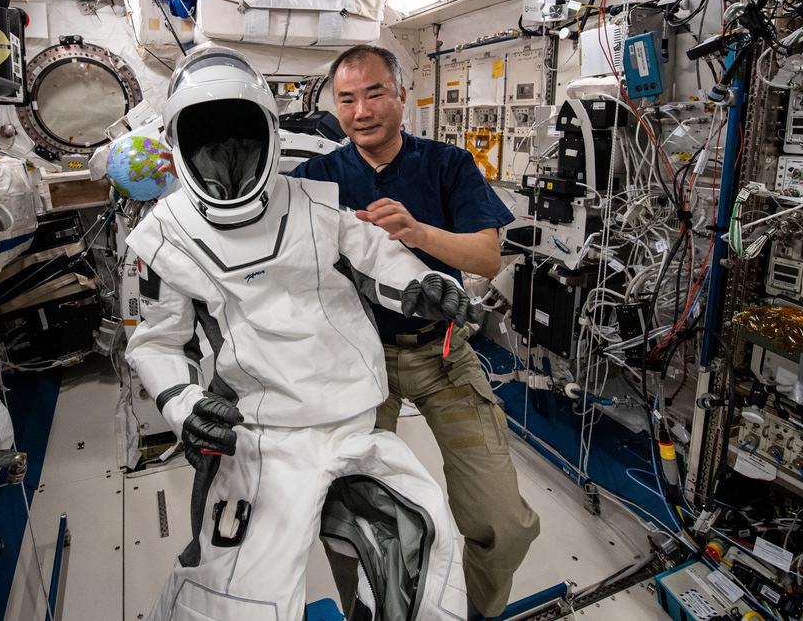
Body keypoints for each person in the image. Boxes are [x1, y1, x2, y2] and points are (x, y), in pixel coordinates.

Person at [124, 48, 472, 621]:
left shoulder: (315, 203)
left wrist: (422, 284)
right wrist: (185, 407)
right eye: (210, 140)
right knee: (235, 599)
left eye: (239, 136)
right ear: (179, 144)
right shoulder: (163, 238)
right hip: (259, 437)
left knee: (425, 558)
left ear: (268, 130)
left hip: (354, 416)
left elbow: (378, 256)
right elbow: (158, 342)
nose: (227, 157)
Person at [291, 44, 540, 620]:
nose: (361, 111)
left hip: (443, 354)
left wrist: (417, 232)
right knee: (351, 517)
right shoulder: (317, 177)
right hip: (355, 362)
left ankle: (476, 610)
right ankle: (366, 611)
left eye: (375, 93)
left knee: (501, 522)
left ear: (403, 96)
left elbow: (484, 257)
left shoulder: (447, 164)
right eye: (346, 99)